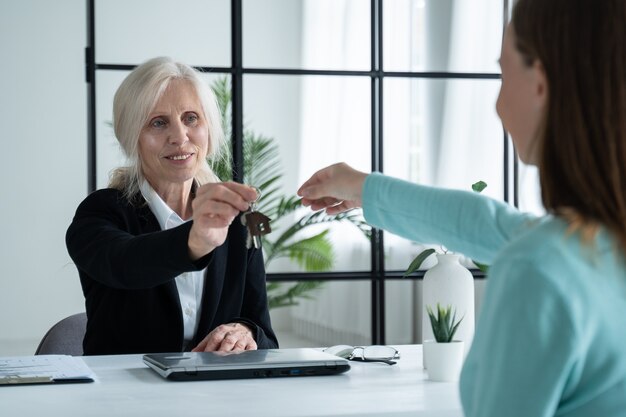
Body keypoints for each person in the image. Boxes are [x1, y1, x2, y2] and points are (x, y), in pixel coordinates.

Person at [297, 0, 626, 415]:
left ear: (540, 83)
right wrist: (366, 188)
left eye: (503, 74)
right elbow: (490, 226)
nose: (497, 104)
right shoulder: (597, 242)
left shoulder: (540, 266)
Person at [66, 57, 278, 355]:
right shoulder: (100, 212)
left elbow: (265, 335)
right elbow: (126, 264)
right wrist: (195, 241)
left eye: (191, 118)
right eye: (158, 122)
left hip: (218, 395)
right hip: (123, 394)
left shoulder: (235, 219)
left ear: (208, 129)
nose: (180, 137)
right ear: (131, 137)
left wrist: (245, 331)